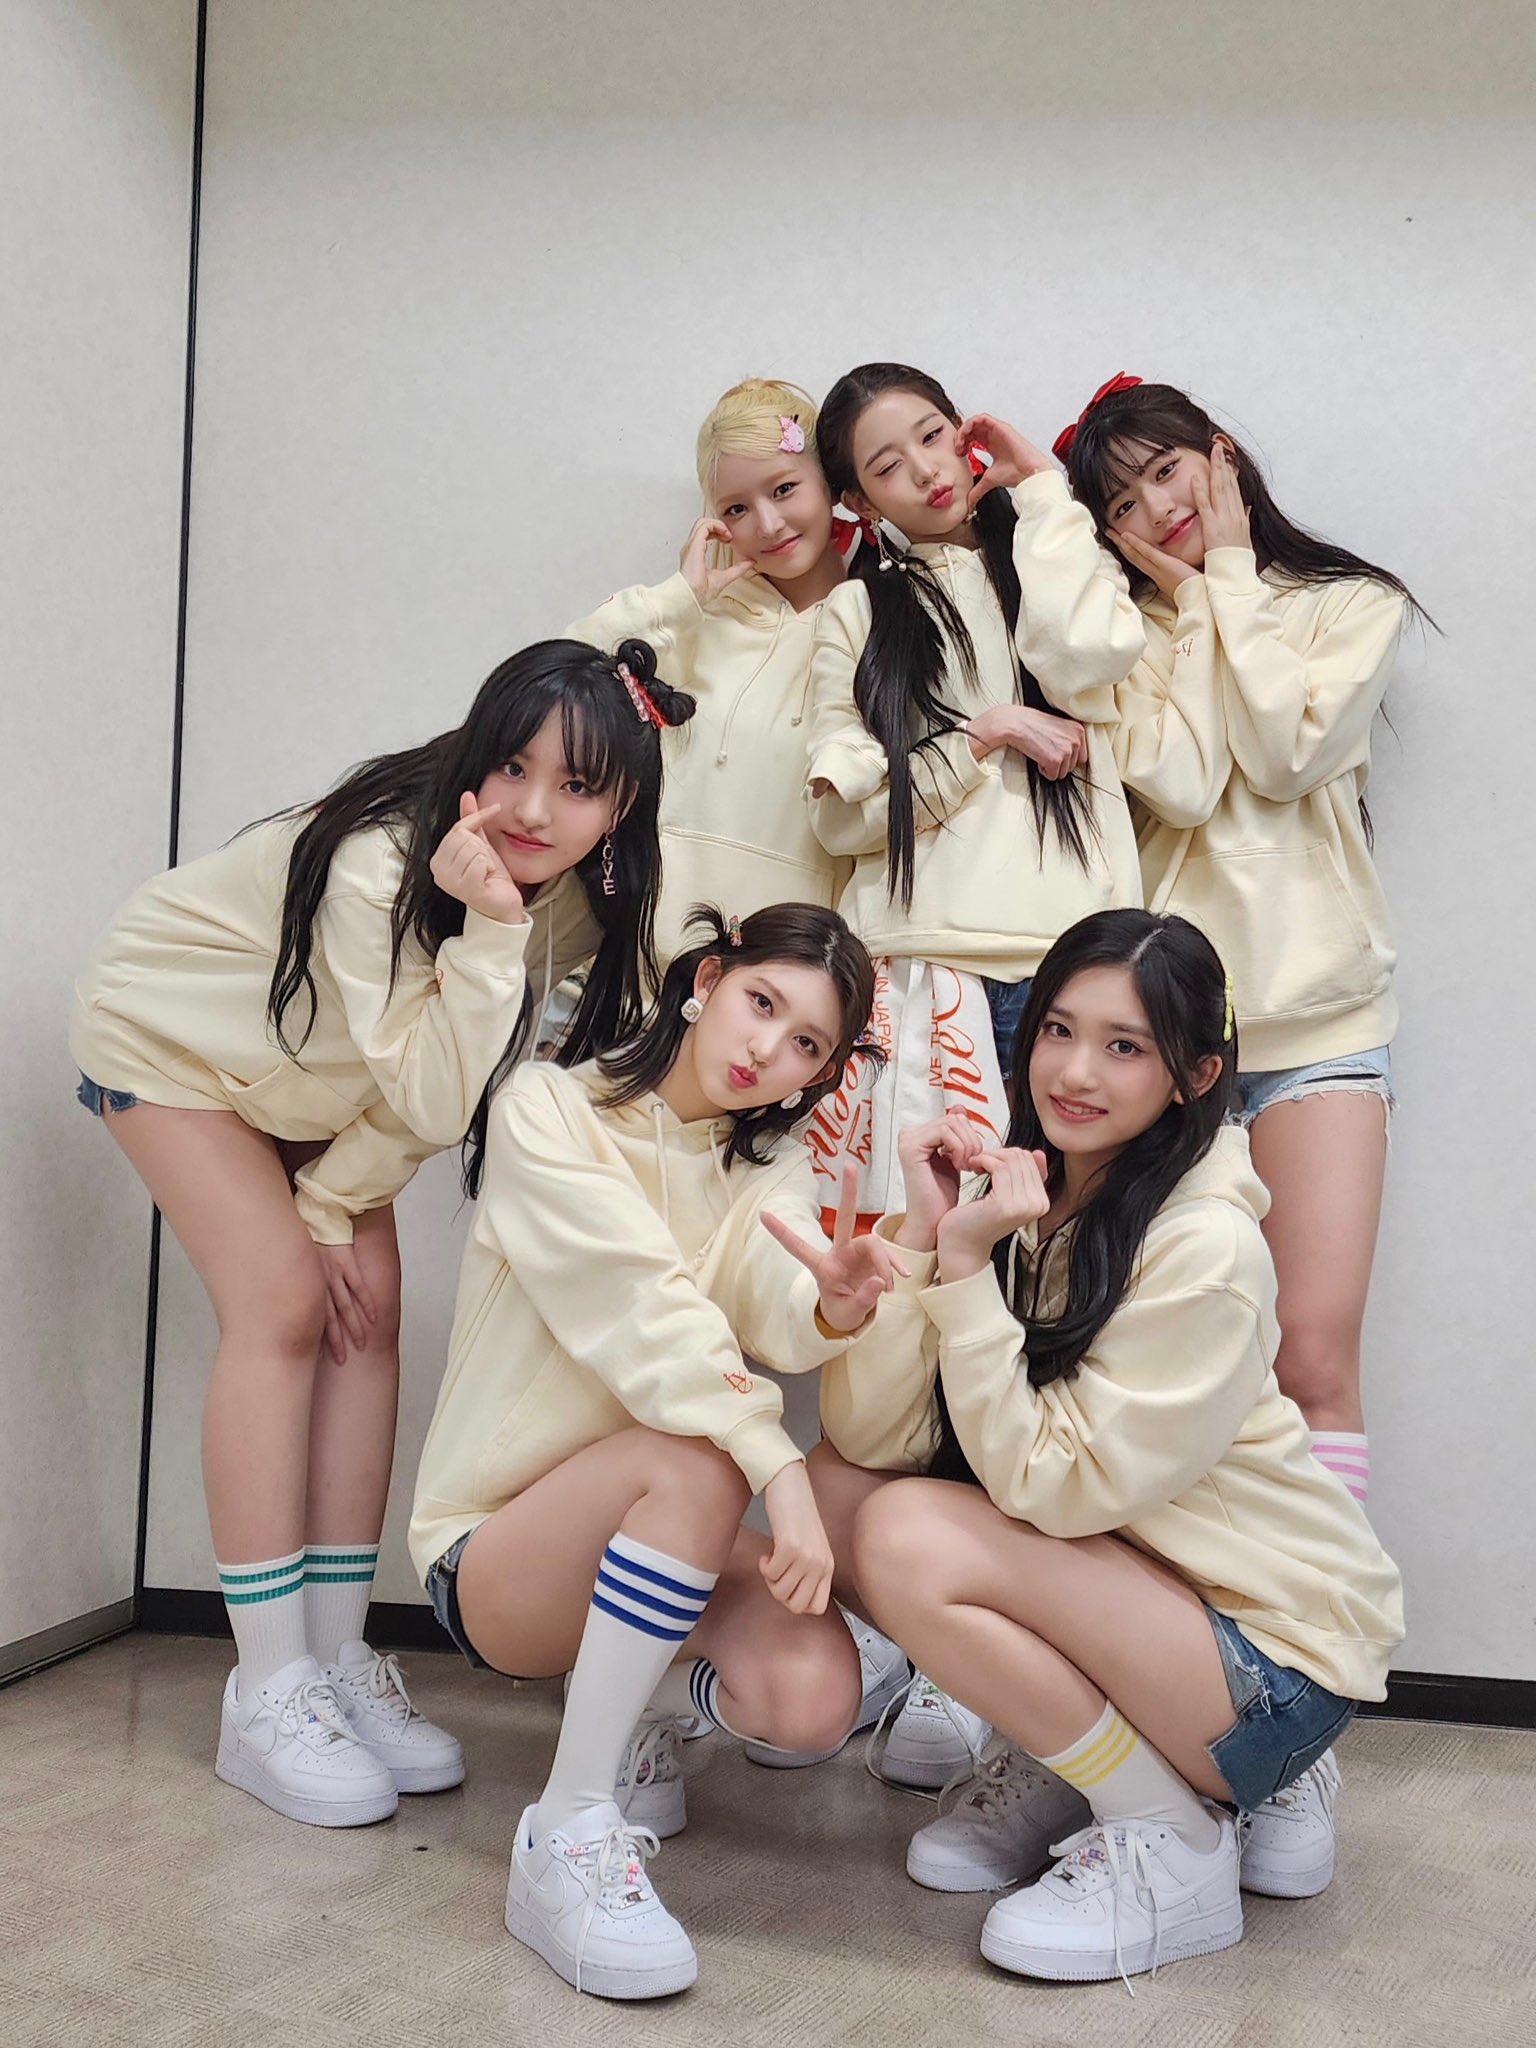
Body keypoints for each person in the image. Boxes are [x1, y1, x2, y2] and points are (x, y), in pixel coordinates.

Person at [71, 636, 691, 1825]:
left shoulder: (581, 905)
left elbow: (446, 1086)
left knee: (368, 1311)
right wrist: (491, 928)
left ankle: (336, 1653)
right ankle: (268, 1688)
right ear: (474, 754)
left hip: (323, 1081)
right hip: (174, 1031)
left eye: (576, 785)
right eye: (512, 767)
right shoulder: (383, 863)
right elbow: (431, 1087)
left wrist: (327, 1200)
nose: (532, 809)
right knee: (283, 1302)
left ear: (620, 807)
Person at [802, 908, 1403, 1988]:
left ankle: (1171, 1837)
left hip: (1270, 1668)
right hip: (1151, 1600)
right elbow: (874, 1437)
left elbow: (1052, 1485)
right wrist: (931, 1235)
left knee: (907, 1534)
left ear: (1194, 1075)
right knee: (839, 1491)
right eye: (1057, 1029)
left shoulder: (1206, 1245)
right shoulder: (1037, 1194)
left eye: (1124, 1046)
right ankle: (1081, 1761)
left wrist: (967, 1277)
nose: (1075, 1071)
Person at [409, 903, 929, 1999]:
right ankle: (568, 1825)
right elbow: (642, 1308)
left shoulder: (763, 1172)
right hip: (498, 1553)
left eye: (806, 1044)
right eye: (761, 1002)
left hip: (654, 1528)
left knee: (812, 1694)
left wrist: (831, 1303)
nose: (767, 1049)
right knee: (697, 1460)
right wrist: (777, 1466)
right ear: (705, 981)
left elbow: (774, 1283)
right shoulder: (549, 1108)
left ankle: (636, 1708)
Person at [1054, 374, 1427, 1505]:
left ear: (1220, 455)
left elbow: (1283, 753)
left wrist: (1225, 581)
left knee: (1310, 1362)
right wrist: (1191, 615)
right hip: (1167, 1039)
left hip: (1321, 1027)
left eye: (1167, 471)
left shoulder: (1350, 606)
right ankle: (1188, 1610)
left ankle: (1325, 1607)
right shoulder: (1122, 643)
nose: (1157, 509)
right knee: (1168, 1371)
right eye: (1122, 505)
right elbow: (1185, 781)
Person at [567, 378, 850, 967]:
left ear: (830, 482)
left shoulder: (878, 624)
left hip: (788, 976)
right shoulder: (692, 622)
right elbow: (558, 686)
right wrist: (680, 599)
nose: (768, 524)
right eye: (736, 508)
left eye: (785, 489)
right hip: (646, 962)